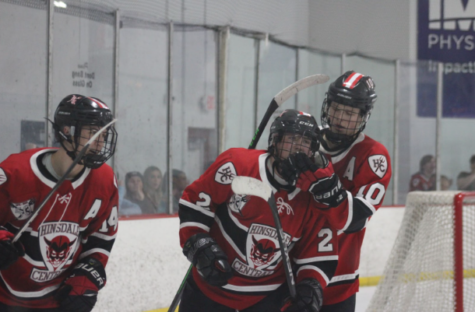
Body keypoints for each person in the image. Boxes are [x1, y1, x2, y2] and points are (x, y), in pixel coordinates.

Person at [177, 109, 350, 312]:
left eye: (305, 143)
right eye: (291, 139)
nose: (297, 148)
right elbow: (196, 203)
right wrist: (199, 244)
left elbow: (318, 253)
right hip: (209, 288)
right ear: (275, 142)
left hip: (266, 297)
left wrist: (310, 286)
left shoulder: (314, 195)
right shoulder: (237, 164)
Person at [0, 94, 119, 311]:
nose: (101, 143)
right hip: (6, 296)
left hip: (58, 299)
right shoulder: (14, 173)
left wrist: (87, 276)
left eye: (104, 134)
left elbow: (101, 238)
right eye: (94, 133)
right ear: (67, 131)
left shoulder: (104, 180)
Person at [317, 71, 392, 311]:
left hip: (338, 280)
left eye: (349, 113)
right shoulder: (302, 141)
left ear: (363, 116)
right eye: (335, 108)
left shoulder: (373, 156)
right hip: (287, 273)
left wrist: (324, 184)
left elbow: (355, 219)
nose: (339, 117)